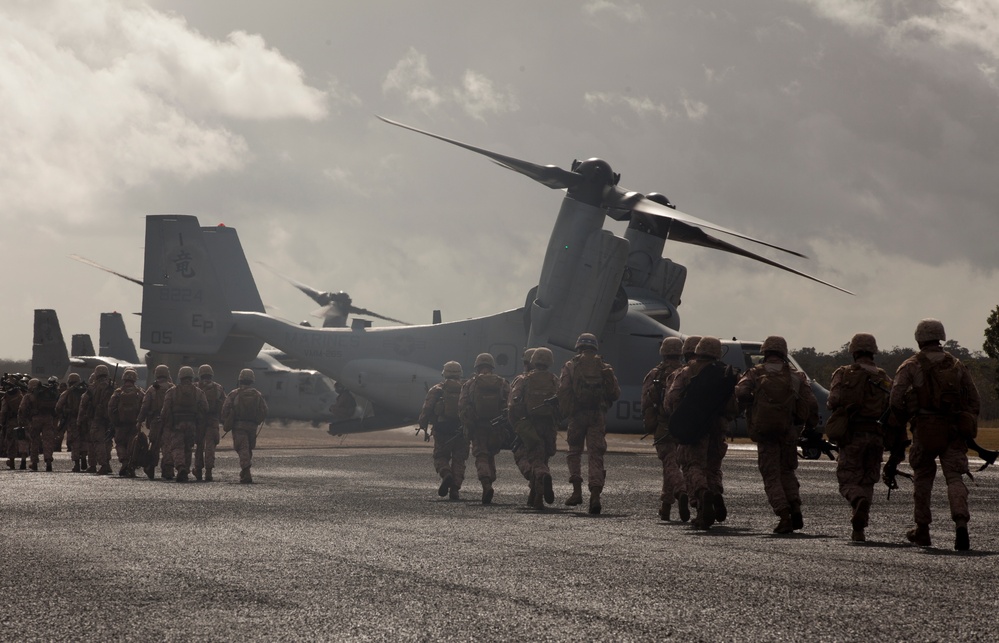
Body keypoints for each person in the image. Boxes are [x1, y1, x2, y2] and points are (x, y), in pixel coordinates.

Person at [890, 319, 980, 551]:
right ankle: (961, 522)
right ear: (941, 336)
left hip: (925, 429)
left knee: (922, 478)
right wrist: (965, 422)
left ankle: (923, 529)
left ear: (919, 338)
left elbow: (895, 399)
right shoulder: (957, 365)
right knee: (955, 477)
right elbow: (973, 399)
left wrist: (908, 418)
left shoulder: (910, 365)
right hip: (953, 431)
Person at [735, 336, 818, 534]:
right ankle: (795, 506)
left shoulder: (755, 373)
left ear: (765, 353)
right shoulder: (797, 376)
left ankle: (784, 515)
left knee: (771, 475)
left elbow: (740, 392)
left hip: (765, 433)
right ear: (783, 353)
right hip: (788, 432)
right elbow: (811, 403)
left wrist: (752, 406)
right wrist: (809, 426)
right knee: (787, 472)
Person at [665, 337, 738, 530]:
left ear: (698, 350)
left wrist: (681, 416)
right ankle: (714, 495)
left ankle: (702, 494)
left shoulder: (687, 371)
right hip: (718, 427)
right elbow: (733, 405)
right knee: (713, 467)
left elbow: (671, 398)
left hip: (694, 427)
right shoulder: (724, 373)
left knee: (692, 465)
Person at [826, 333, 892, 542]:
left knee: (847, 479)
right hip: (876, 436)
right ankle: (859, 529)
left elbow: (833, 400)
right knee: (868, 479)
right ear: (873, 352)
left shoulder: (844, 373)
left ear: (853, 352)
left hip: (853, 434)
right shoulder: (883, 377)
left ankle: (857, 500)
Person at [557, 333, 621, 514]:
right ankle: (595, 495)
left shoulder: (570, 366)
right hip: (597, 417)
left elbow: (563, 390)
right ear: (595, 348)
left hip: (577, 416)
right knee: (595, 455)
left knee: (574, 452)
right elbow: (615, 393)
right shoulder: (604, 367)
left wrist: (568, 411)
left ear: (578, 347)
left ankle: (576, 492)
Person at [642, 337, 688, 521]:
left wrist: (650, 422)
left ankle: (681, 491)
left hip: (663, 425)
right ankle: (666, 506)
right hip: (684, 426)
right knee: (672, 464)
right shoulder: (687, 373)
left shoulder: (655, 374)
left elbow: (645, 402)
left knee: (669, 464)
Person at [508, 348, 560, 510]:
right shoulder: (554, 380)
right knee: (542, 458)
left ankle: (543, 476)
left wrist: (517, 425)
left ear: (533, 361)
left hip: (531, 425)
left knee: (535, 461)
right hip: (549, 426)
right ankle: (536, 498)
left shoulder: (524, 379)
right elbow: (563, 403)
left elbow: (512, 405)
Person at [459, 353, 511, 504]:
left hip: (478, 427)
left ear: (477, 367)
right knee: (491, 455)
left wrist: (467, 425)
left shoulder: (470, 384)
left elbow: (462, 406)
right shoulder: (502, 383)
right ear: (492, 366)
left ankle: (486, 483)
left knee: (481, 455)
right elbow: (510, 404)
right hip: (497, 427)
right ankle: (491, 479)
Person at [417, 361, 469, 500]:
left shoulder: (437, 389)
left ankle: (446, 474)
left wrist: (423, 424)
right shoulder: (466, 388)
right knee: (459, 460)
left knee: (440, 456)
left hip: (442, 430)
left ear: (444, 373)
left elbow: (427, 409)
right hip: (461, 431)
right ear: (460, 373)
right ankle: (455, 490)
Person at [160, 366, 208, 483]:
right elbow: (205, 408)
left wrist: (166, 422)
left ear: (180, 376)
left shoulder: (172, 391)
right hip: (191, 424)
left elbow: (165, 410)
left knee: (177, 447)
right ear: (191, 376)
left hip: (177, 424)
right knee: (188, 448)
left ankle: (180, 467)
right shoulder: (198, 392)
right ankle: (185, 471)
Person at [221, 368, 268, 484]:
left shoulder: (234, 394)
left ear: (240, 379)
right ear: (252, 380)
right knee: (248, 448)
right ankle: (245, 470)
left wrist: (229, 420)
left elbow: (224, 410)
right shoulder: (257, 394)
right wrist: (256, 421)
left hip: (239, 426)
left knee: (242, 448)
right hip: (252, 426)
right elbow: (264, 410)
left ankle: (246, 472)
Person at [137, 365, 174, 480]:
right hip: (169, 421)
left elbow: (145, 406)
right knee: (167, 445)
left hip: (155, 421)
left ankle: (151, 468)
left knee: (155, 445)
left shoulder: (152, 389)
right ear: (167, 374)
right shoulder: (172, 388)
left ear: (156, 374)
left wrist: (140, 420)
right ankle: (168, 469)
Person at [78, 365, 115, 475]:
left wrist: (80, 419)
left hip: (96, 419)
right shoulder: (111, 386)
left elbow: (83, 403)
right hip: (109, 419)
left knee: (96, 442)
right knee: (107, 442)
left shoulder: (92, 388)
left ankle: (100, 465)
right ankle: (107, 464)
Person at [107, 369, 145, 477]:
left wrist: (114, 421)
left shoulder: (118, 392)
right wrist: (140, 420)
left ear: (124, 378)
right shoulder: (139, 392)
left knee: (120, 444)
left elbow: (110, 407)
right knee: (132, 445)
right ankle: (131, 467)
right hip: (133, 424)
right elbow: (145, 406)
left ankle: (124, 461)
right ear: (134, 379)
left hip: (120, 424)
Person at [18, 377, 61, 471]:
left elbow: (22, 409)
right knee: (48, 441)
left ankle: (34, 463)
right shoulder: (48, 393)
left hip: (35, 420)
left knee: (35, 441)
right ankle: (48, 461)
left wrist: (22, 420)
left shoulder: (29, 395)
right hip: (48, 419)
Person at [195, 364, 226, 482]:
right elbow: (224, 405)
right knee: (210, 447)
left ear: (200, 374)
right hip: (213, 420)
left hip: (199, 421)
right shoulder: (218, 388)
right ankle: (208, 471)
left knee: (199, 446)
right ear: (211, 374)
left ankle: (198, 470)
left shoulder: (196, 387)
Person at [56, 372, 89, 472]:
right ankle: (83, 457)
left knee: (75, 442)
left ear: (69, 381)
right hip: (85, 419)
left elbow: (58, 406)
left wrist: (63, 414)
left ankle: (76, 464)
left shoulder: (67, 392)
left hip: (72, 420)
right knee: (84, 440)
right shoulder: (86, 390)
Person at [2, 376, 27, 470]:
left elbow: (4, 411)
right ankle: (23, 460)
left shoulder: (7, 397)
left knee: (11, 441)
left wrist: (2, 422)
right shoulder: (22, 394)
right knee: (23, 441)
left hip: (11, 421)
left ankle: (12, 462)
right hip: (23, 421)